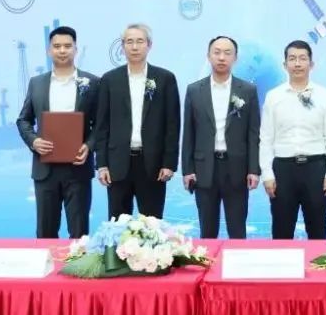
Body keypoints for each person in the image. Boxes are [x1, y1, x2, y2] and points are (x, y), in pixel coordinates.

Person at [15, 26, 98, 238]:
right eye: (57, 46)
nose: (62, 50)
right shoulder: (36, 83)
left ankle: (77, 261)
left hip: (78, 169)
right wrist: (34, 141)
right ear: (49, 50)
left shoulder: (93, 82)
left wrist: (89, 146)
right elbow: (23, 120)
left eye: (67, 46)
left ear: (75, 50)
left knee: (79, 235)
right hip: (45, 169)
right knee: (45, 233)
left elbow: (101, 124)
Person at [92, 23, 180, 218]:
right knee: (117, 224)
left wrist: (169, 163)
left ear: (149, 45)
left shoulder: (164, 78)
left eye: (140, 41)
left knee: (152, 225)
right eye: (129, 42)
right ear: (122, 46)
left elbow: (172, 124)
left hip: (153, 165)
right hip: (117, 164)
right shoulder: (109, 80)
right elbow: (102, 125)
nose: (134, 47)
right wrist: (102, 164)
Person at [181, 36, 261, 238]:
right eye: (216, 52)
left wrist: (254, 169)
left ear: (235, 58)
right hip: (204, 168)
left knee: (237, 230)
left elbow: (253, 134)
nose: (222, 57)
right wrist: (188, 170)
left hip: (237, 168)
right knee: (207, 231)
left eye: (227, 53)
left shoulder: (248, 91)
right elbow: (189, 133)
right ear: (208, 56)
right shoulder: (194, 90)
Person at [260, 40, 326, 239]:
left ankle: (318, 261)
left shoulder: (324, 95)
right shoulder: (273, 97)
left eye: (303, 58)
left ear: (311, 64)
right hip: (283, 170)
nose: (297, 63)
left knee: (318, 229)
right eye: (292, 59)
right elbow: (266, 139)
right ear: (285, 64)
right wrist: (267, 174)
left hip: (316, 169)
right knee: (282, 230)